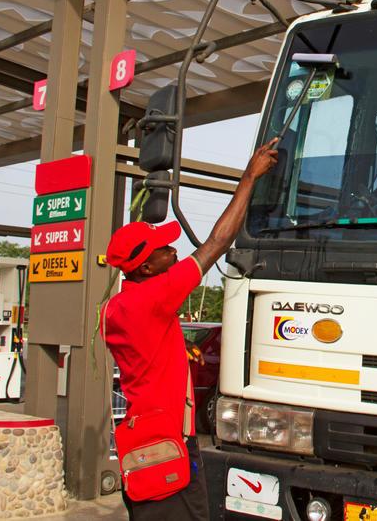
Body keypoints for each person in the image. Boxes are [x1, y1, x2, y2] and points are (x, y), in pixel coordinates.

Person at [102, 139, 278, 520]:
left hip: (144, 440)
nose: (174, 250)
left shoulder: (117, 307)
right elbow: (217, 242)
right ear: (144, 268)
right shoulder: (152, 299)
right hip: (167, 445)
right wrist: (249, 178)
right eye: (163, 250)